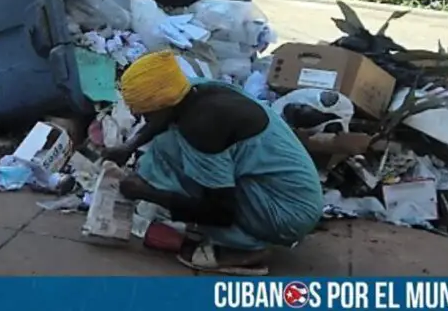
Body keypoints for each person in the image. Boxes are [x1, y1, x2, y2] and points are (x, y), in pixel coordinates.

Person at [102, 50, 323, 275]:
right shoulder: (192, 90)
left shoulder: (204, 129)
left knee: (183, 167)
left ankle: (245, 249)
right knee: (166, 146)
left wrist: (148, 194)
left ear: (163, 105)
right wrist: (128, 147)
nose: (142, 119)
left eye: (145, 114)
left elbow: (219, 212)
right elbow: (162, 118)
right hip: (292, 191)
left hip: (288, 214)